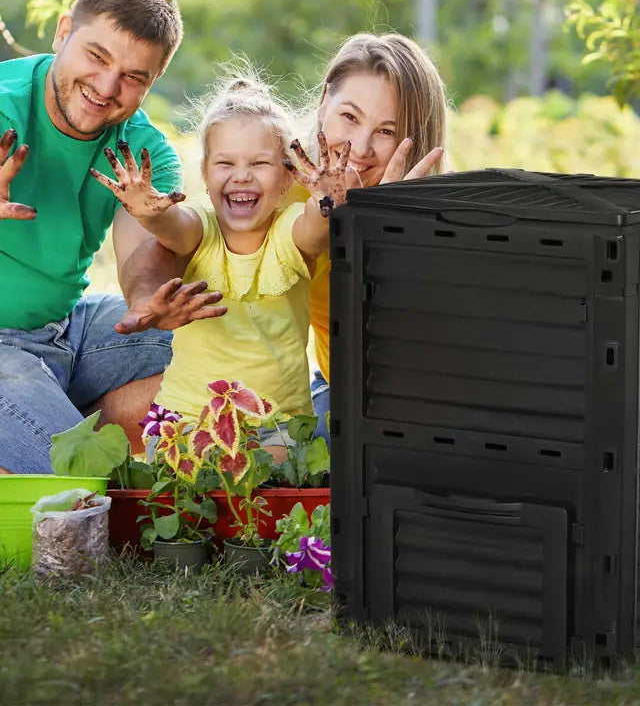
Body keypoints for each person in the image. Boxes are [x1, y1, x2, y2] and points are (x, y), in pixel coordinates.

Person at [0, 0, 221, 474]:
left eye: (134, 77)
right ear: (62, 33)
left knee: (221, 344)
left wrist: (146, 300)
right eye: (97, 57)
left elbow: (142, 251)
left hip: (66, 329)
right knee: (77, 484)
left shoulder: (143, 152)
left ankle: (37, 426)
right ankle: (51, 441)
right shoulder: (3, 103)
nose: (106, 87)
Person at [89, 71, 351, 435]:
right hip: (187, 422)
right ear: (206, 175)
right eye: (226, 164)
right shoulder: (201, 227)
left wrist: (327, 197)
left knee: (275, 481)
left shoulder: (287, 230)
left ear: (288, 177)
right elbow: (173, 226)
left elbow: (314, 228)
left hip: (280, 425)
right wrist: (149, 210)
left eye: (259, 164)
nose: (241, 176)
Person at [288, 33, 448, 441]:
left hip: (426, 405)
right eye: (350, 117)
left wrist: (393, 235)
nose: (360, 148)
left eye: (387, 131)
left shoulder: (441, 217)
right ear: (324, 101)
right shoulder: (283, 192)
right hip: (337, 397)